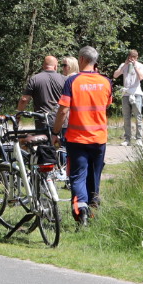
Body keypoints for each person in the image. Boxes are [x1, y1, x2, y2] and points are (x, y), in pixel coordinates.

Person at [51, 46, 112, 224]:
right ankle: (93, 211)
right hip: (99, 138)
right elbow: (106, 105)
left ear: (82, 60)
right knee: (94, 176)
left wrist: (55, 132)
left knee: (78, 176)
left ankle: (81, 212)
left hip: (77, 138)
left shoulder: (73, 82)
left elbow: (63, 111)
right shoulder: (106, 82)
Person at [18, 55, 64, 128]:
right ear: (55, 66)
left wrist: (18, 117)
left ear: (43, 66)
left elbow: (24, 100)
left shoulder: (35, 79)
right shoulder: (63, 79)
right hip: (60, 121)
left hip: (42, 121)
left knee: (42, 139)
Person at [112, 49, 143, 147]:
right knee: (126, 117)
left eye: (134, 58)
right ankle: (127, 139)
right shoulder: (123, 65)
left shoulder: (141, 66)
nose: (131, 59)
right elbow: (115, 75)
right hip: (126, 94)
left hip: (137, 93)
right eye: (130, 57)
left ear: (137, 58)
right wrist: (125, 65)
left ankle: (139, 139)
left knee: (138, 117)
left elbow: (141, 77)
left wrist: (135, 66)